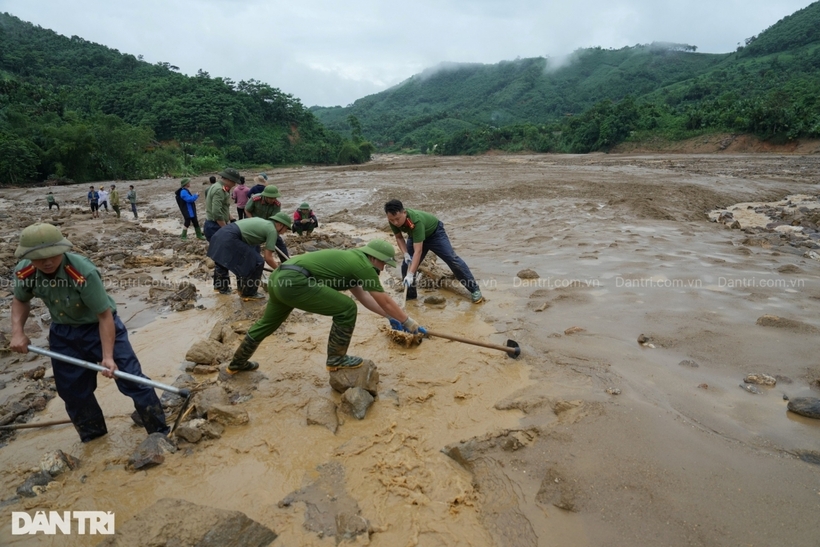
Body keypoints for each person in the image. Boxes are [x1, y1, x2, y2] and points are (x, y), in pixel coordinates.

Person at [9, 223, 169, 442]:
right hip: (63, 333)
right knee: (72, 391)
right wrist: (17, 332)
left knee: (132, 380)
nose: (46, 262)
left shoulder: (81, 272)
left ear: (62, 250)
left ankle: (160, 432)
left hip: (100, 327)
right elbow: (20, 300)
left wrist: (108, 357)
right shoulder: (25, 271)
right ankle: (94, 439)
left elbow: (104, 316)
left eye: (53, 256)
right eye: (38, 258)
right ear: (28, 256)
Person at [226, 239, 427, 374]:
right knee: (347, 308)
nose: (383, 268)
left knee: (267, 324)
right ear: (374, 257)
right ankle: (336, 359)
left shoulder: (353, 259)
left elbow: (364, 297)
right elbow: (385, 299)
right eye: (384, 264)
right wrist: (407, 321)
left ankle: (236, 364)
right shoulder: (364, 265)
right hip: (295, 281)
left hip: (280, 279)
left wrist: (390, 317)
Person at [384, 199, 483, 303]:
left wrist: (410, 274)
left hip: (435, 234)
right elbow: (399, 238)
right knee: (405, 265)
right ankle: (410, 296)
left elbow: (418, 252)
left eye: (397, 219)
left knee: (452, 259)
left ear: (404, 212)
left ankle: (474, 289)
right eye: (391, 220)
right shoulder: (392, 220)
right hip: (415, 236)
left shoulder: (416, 221)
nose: (395, 222)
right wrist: (405, 254)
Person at [207, 212, 292, 300]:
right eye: (286, 229)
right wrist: (279, 271)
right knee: (258, 262)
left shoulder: (263, 222)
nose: (284, 232)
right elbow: (268, 258)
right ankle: (249, 293)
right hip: (231, 236)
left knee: (243, 261)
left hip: (221, 234)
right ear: (280, 225)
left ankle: (222, 287)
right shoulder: (272, 230)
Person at [205, 168, 239, 293]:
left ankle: (218, 285)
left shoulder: (221, 188)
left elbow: (224, 209)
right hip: (215, 226)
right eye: (234, 182)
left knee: (221, 256)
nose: (235, 184)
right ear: (228, 180)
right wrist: (225, 229)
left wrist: (232, 219)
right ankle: (223, 288)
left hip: (215, 225)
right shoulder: (219, 190)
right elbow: (217, 213)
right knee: (223, 257)